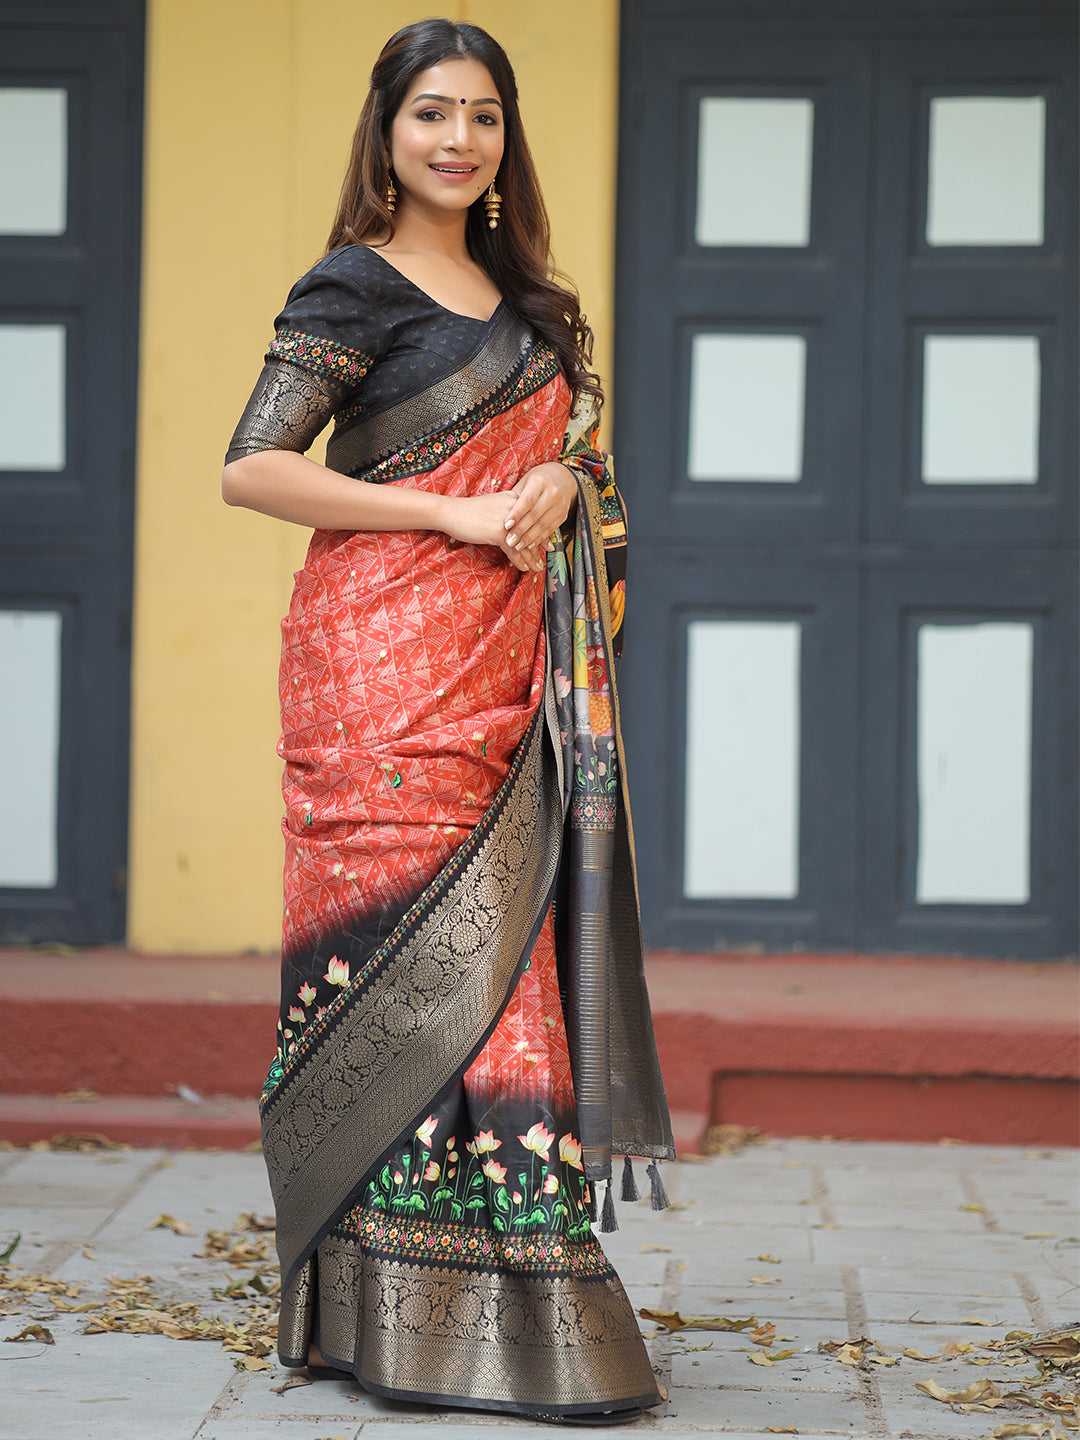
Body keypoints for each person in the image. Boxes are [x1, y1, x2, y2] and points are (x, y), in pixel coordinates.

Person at [221, 18, 673, 1425]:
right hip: (376, 665)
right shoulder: (350, 287)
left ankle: (513, 1293)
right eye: (432, 113)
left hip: (500, 664)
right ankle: (372, 1308)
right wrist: (454, 509)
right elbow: (252, 472)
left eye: (482, 115)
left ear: (504, 136)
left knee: (502, 971)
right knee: (393, 968)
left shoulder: (533, 300)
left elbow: (578, 466)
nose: (458, 139)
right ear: (388, 128)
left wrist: (557, 492)